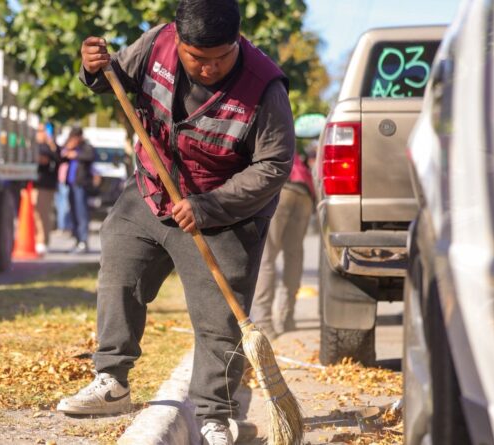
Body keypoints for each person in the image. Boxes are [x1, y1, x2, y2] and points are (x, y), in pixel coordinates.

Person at [56, 1, 295, 444]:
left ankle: (215, 414)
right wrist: (93, 69)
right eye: (196, 58)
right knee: (119, 273)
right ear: (179, 41)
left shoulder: (265, 87)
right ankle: (112, 381)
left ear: (238, 42)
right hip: (151, 190)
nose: (207, 69)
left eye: (220, 59)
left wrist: (208, 206)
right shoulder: (157, 42)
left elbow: (274, 165)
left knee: (218, 319)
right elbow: (116, 78)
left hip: (225, 213)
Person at [250, 150, 315, 339]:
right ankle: (288, 318)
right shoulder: (285, 130)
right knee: (293, 255)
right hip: (304, 192)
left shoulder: (259, 126)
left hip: (281, 188)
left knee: (266, 257)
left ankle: (264, 323)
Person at [60, 127, 95, 254]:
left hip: (81, 185)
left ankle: (83, 242)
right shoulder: (70, 148)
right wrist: (68, 149)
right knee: (73, 214)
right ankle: (77, 240)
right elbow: (61, 156)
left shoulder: (86, 147)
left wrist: (76, 154)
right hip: (71, 184)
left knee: (82, 214)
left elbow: (90, 156)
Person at [33, 125, 58, 254]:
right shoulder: (37, 146)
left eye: (40, 131)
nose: (38, 133)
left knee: (43, 215)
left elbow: (43, 160)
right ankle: (38, 240)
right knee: (36, 215)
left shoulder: (48, 147)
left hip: (45, 186)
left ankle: (42, 241)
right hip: (36, 185)